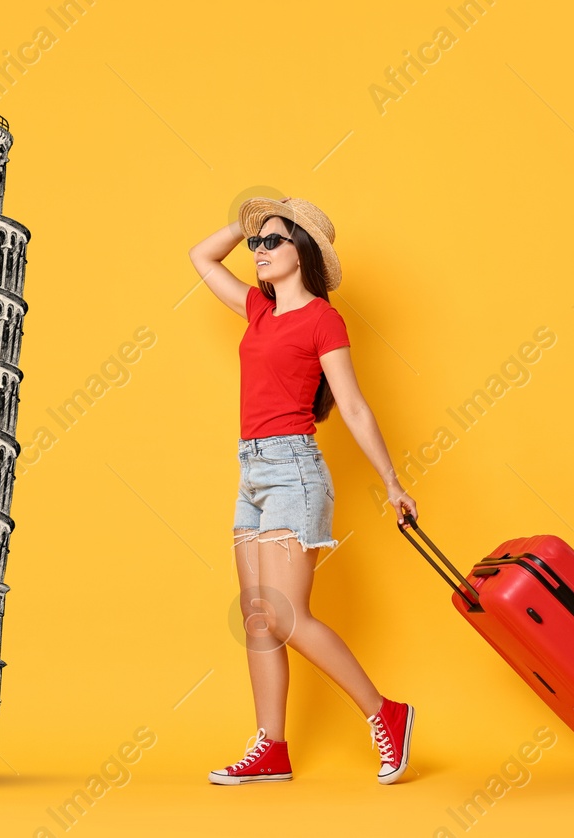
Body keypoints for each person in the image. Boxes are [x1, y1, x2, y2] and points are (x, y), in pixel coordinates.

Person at [188, 196, 419, 786]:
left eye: (272, 242)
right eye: (256, 243)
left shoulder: (324, 319)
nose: (258, 252)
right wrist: (250, 221)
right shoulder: (258, 311)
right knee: (259, 618)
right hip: (253, 473)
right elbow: (201, 255)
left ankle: (385, 713)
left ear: (303, 253)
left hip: (295, 470)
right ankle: (273, 748)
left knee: (288, 615)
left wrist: (392, 483)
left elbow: (355, 405)